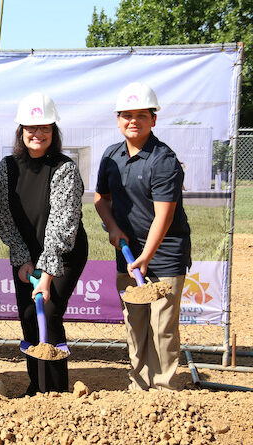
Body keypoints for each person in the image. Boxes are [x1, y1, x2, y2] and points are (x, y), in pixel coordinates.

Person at [94, 82, 191, 391]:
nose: (133, 121)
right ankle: (139, 384)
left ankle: (163, 387)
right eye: (126, 115)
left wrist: (146, 257)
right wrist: (112, 227)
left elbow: (164, 215)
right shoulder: (111, 156)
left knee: (161, 326)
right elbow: (101, 197)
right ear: (118, 119)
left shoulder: (163, 160)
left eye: (141, 115)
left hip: (164, 254)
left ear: (154, 119)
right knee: (135, 322)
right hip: (127, 252)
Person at [0, 92, 88, 395]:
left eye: (45, 128)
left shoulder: (65, 168)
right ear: (21, 130)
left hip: (63, 253)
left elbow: (62, 226)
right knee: (27, 315)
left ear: (53, 131)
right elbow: (5, 219)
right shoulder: (7, 167)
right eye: (31, 128)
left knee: (47, 312)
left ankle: (56, 390)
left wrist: (46, 274)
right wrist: (22, 260)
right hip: (26, 254)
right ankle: (37, 386)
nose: (37, 134)